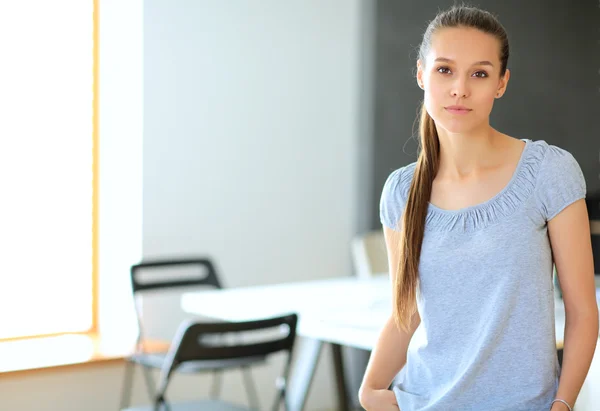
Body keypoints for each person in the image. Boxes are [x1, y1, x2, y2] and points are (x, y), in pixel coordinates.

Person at [358, 4, 598, 411]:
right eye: (444, 70)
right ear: (421, 74)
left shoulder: (549, 172)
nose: (460, 89)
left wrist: (562, 404)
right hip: (422, 401)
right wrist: (370, 392)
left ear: (501, 83)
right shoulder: (400, 191)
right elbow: (407, 312)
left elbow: (582, 309)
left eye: (480, 74)